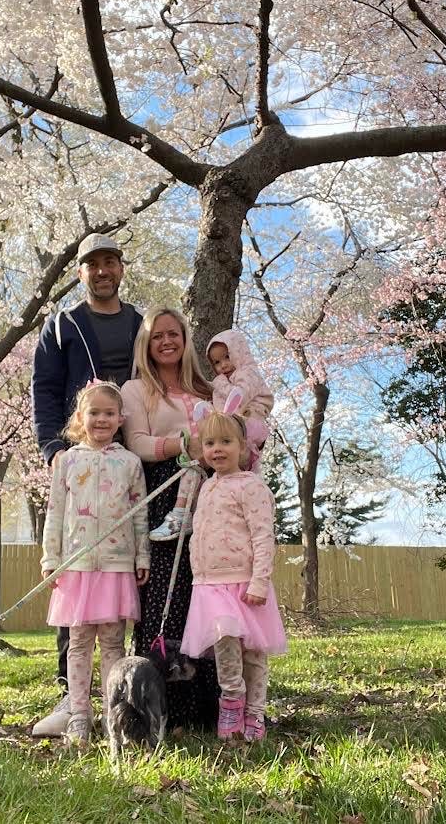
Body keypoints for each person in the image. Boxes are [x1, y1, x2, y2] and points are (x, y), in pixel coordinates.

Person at [31, 232, 142, 736]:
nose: (102, 270)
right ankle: (69, 698)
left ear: (120, 267)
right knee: (76, 587)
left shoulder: (140, 323)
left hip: (136, 459)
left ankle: (126, 696)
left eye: (110, 261)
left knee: (126, 579)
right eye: (92, 264)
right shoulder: (62, 325)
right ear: (81, 272)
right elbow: (46, 389)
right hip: (78, 463)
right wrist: (54, 450)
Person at [121, 306, 220, 730]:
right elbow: (139, 443)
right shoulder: (134, 388)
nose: (166, 341)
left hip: (211, 492)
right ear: (146, 343)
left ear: (185, 339)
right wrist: (185, 444)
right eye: (157, 335)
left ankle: (209, 706)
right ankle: (161, 706)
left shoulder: (207, 388)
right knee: (165, 595)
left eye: (173, 334)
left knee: (206, 591)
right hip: (162, 493)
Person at [40, 380, 150, 747]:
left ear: (120, 419)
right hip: (77, 566)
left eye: (109, 413)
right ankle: (79, 715)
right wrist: (50, 558)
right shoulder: (67, 461)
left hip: (116, 567)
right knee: (79, 643)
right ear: (80, 418)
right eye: (94, 412)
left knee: (114, 645)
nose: (101, 419)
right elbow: (54, 513)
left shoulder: (130, 462)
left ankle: (112, 716)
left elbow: (139, 514)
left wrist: (142, 555)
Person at [180, 410, 287, 742]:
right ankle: (231, 700)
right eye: (210, 443)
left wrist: (259, 580)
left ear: (243, 447)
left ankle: (255, 713)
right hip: (210, 585)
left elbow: (262, 536)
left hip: (244, 582)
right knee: (224, 642)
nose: (217, 449)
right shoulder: (206, 486)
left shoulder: (251, 486)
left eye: (226, 442)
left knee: (253, 652)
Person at [150, 328, 274, 542]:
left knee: (237, 468)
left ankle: (243, 510)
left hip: (247, 426)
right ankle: (187, 510)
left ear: (239, 353)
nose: (223, 366)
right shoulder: (229, 378)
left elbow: (239, 397)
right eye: (217, 363)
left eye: (227, 357)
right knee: (199, 462)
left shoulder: (247, 373)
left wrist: (217, 383)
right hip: (232, 426)